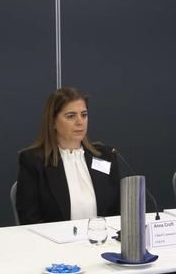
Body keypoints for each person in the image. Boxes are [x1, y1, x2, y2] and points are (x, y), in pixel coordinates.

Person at [16, 87, 120, 224]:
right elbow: (29, 220)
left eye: (84, 115)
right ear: (53, 121)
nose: (80, 122)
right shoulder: (34, 162)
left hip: (103, 242)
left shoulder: (105, 156)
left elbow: (120, 212)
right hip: (54, 244)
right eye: (71, 116)